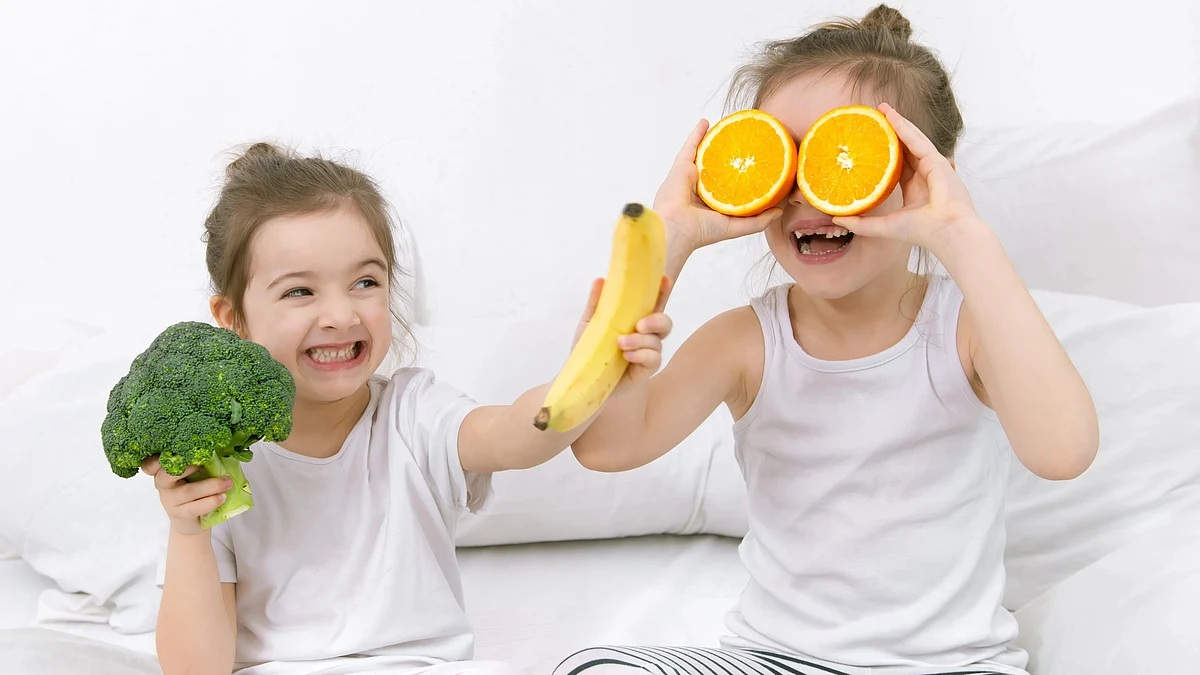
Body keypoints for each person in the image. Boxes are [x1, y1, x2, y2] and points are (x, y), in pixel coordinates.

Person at [555, 5, 1098, 674]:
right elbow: (606, 448)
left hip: (952, 665)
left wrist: (964, 237)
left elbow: (1063, 451)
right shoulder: (746, 342)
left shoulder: (966, 327)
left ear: (928, 177)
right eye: (783, 160)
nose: (810, 192)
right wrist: (670, 234)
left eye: (846, 156)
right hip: (775, 660)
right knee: (596, 666)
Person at [143, 142, 673, 675]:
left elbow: (516, 435)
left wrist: (591, 365)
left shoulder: (413, 415)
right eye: (299, 291)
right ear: (232, 318)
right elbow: (194, 670)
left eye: (365, 282)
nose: (341, 314)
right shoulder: (217, 462)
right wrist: (189, 532)